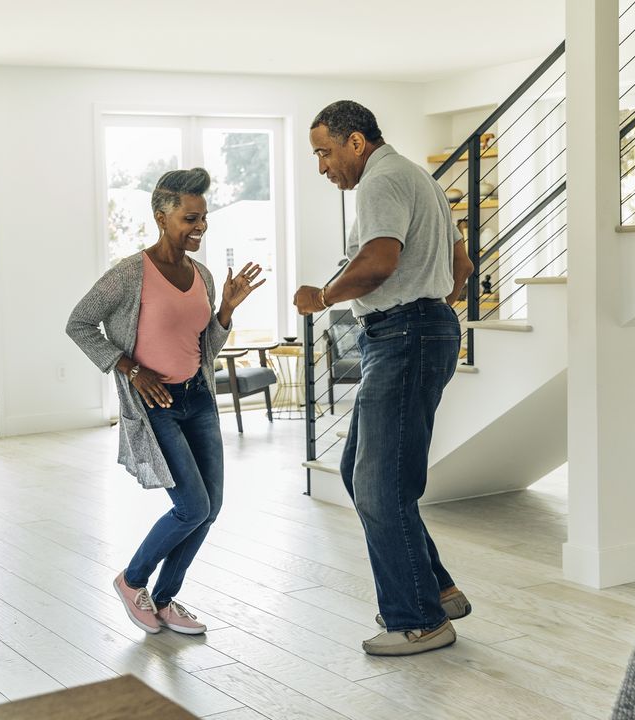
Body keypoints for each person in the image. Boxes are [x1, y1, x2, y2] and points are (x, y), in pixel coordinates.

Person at [295, 100, 474, 656]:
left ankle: (418, 619)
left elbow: (378, 261)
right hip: (419, 331)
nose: (323, 167)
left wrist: (320, 297)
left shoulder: (379, 181)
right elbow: (461, 268)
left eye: (325, 152)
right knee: (359, 471)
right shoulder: (419, 178)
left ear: (355, 142)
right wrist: (428, 311)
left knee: (377, 484)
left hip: (403, 338)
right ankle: (436, 589)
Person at [66, 168, 264, 635]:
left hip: (199, 398)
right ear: (161, 217)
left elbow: (204, 348)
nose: (200, 227)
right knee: (192, 506)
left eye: (204, 217)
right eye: (190, 218)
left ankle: (165, 598)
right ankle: (132, 579)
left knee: (210, 507)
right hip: (156, 405)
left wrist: (226, 312)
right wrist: (131, 368)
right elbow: (78, 323)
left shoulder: (205, 275)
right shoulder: (129, 275)